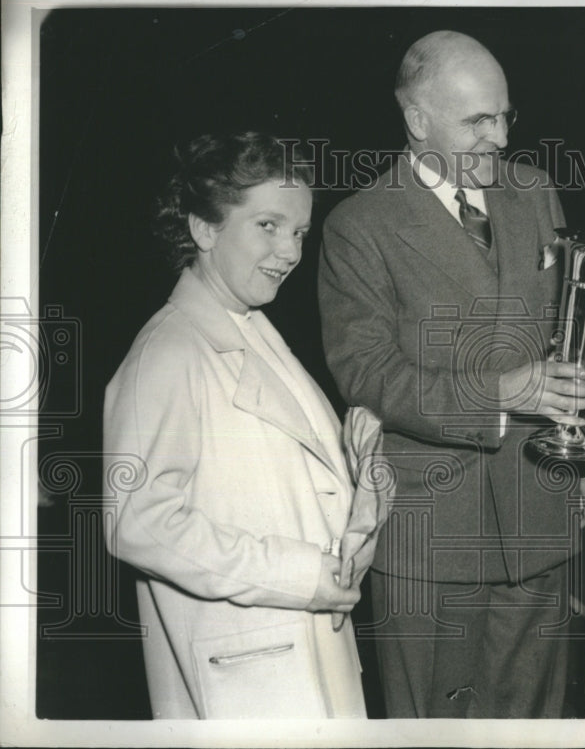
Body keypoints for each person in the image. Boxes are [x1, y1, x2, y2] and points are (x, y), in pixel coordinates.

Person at [318, 30, 585, 718]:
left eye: (505, 116)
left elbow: (570, 335)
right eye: (478, 120)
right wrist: (495, 393)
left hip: (539, 507)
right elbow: (369, 373)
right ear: (417, 121)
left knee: (534, 722)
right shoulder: (359, 225)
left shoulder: (534, 193)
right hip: (429, 534)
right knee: (433, 727)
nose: (500, 138)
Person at [103, 132, 382, 719]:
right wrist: (301, 573)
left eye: (300, 232)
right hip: (250, 676)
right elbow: (139, 523)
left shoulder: (252, 328)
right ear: (204, 229)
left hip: (299, 655)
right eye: (268, 226)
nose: (290, 251)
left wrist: (360, 467)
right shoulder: (168, 352)